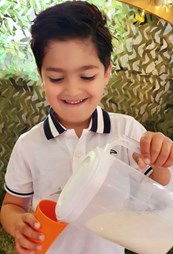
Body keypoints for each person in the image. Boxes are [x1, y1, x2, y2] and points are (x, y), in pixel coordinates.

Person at [1, 1, 173, 254]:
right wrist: (17, 223)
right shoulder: (29, 145)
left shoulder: (126, 130)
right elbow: (11, 205)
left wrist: (161, 159)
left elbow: (157, 193)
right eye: (57, 78)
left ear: (106, 73)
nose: (72, 90)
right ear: (41, 75)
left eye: (87, 76)